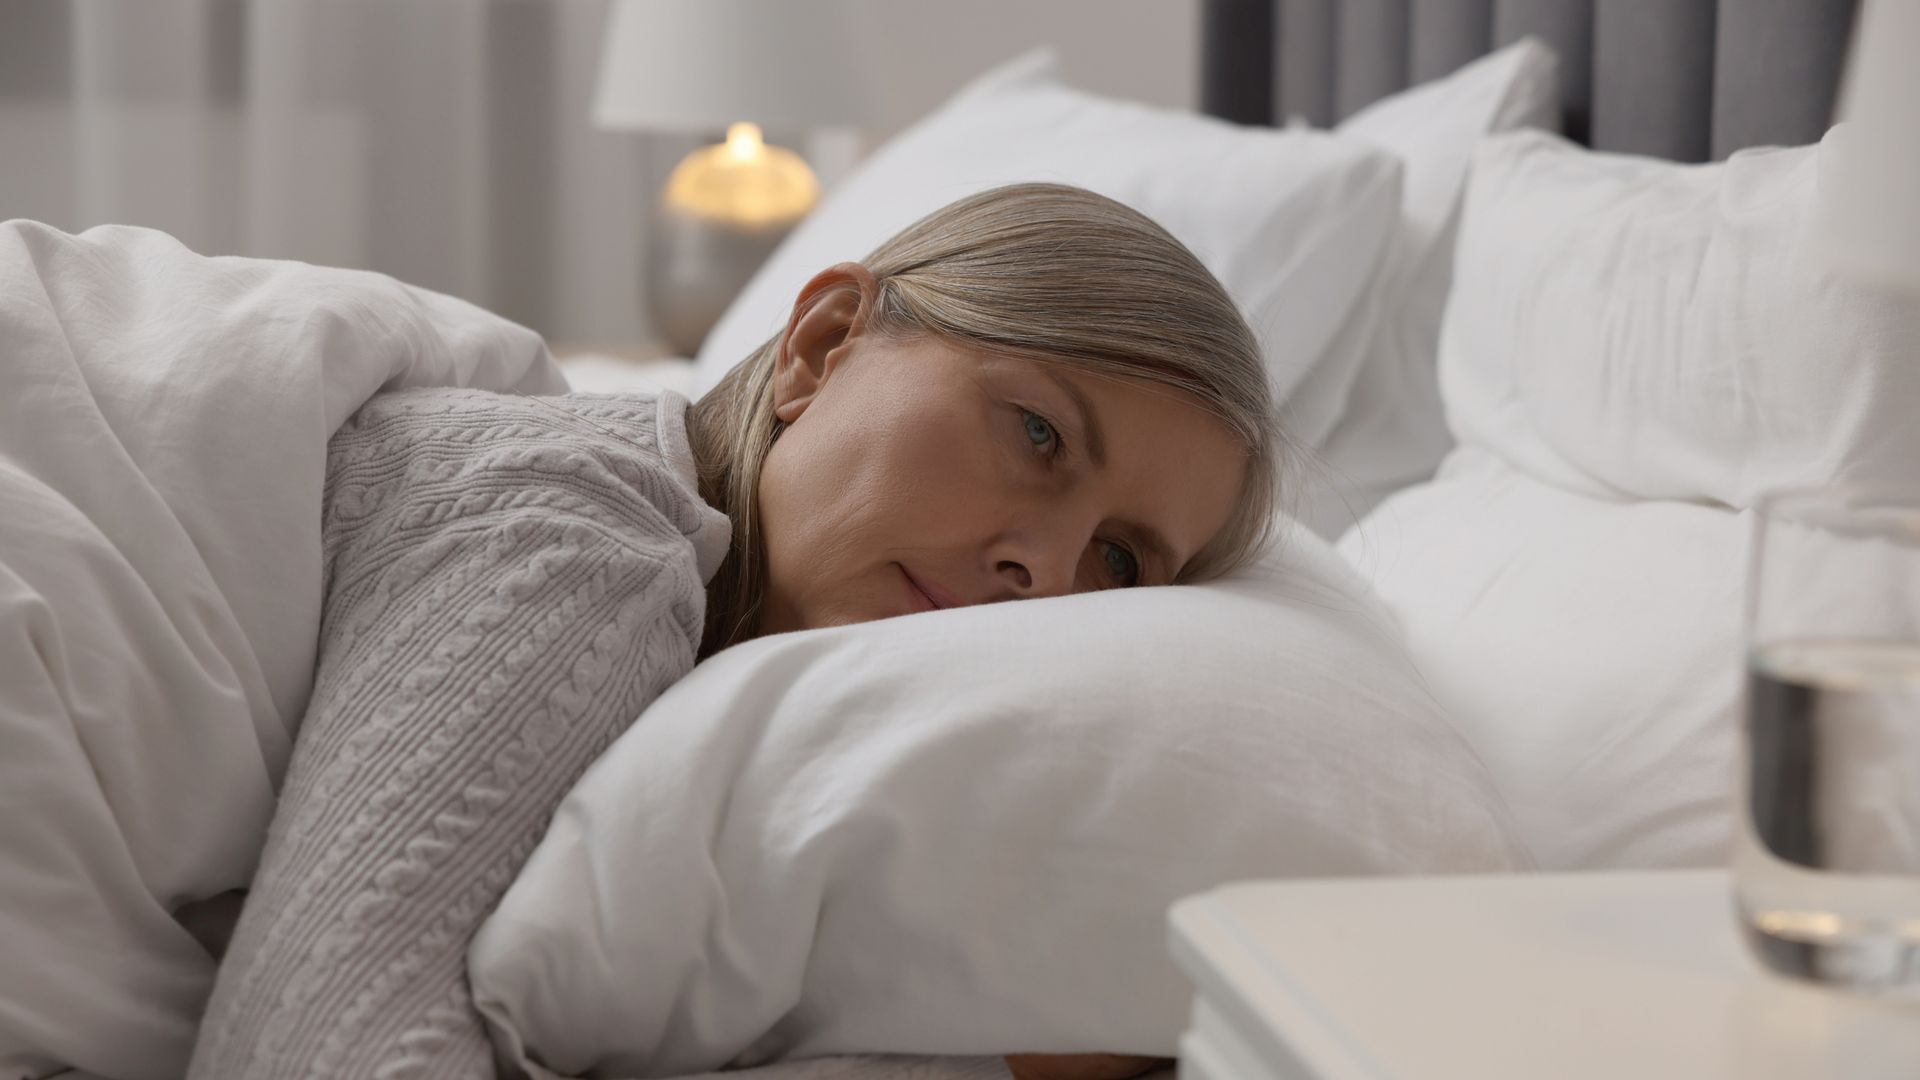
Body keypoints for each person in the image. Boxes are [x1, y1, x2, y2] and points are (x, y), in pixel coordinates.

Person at [188, 182, 1283, 1079]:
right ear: (824, 343)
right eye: (1038, 433)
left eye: (1119, 558)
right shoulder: (580, 531)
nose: (1044, 569)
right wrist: (994, 1066)